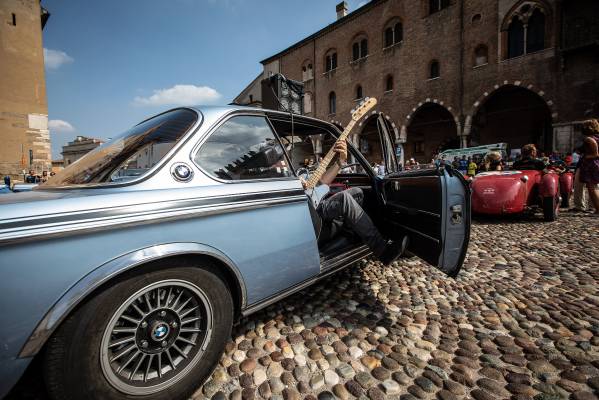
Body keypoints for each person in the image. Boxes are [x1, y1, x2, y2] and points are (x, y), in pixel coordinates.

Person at [303, 140, 409, 265]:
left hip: (314, 205)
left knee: (357, 192)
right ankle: (382, 251)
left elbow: (321, 184)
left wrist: (340, 161)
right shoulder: (276, 172)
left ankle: (353, 233)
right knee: (343, 199)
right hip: (306, 216)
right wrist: (295, 184)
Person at [577, 119, 599, 213]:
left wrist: (585, 156)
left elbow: (596, 154)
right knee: (593, 187)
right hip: (594, 164)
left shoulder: (589, 139)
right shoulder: (596, 138)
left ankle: (598, 209)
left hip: (591, 165)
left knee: (591, 188)